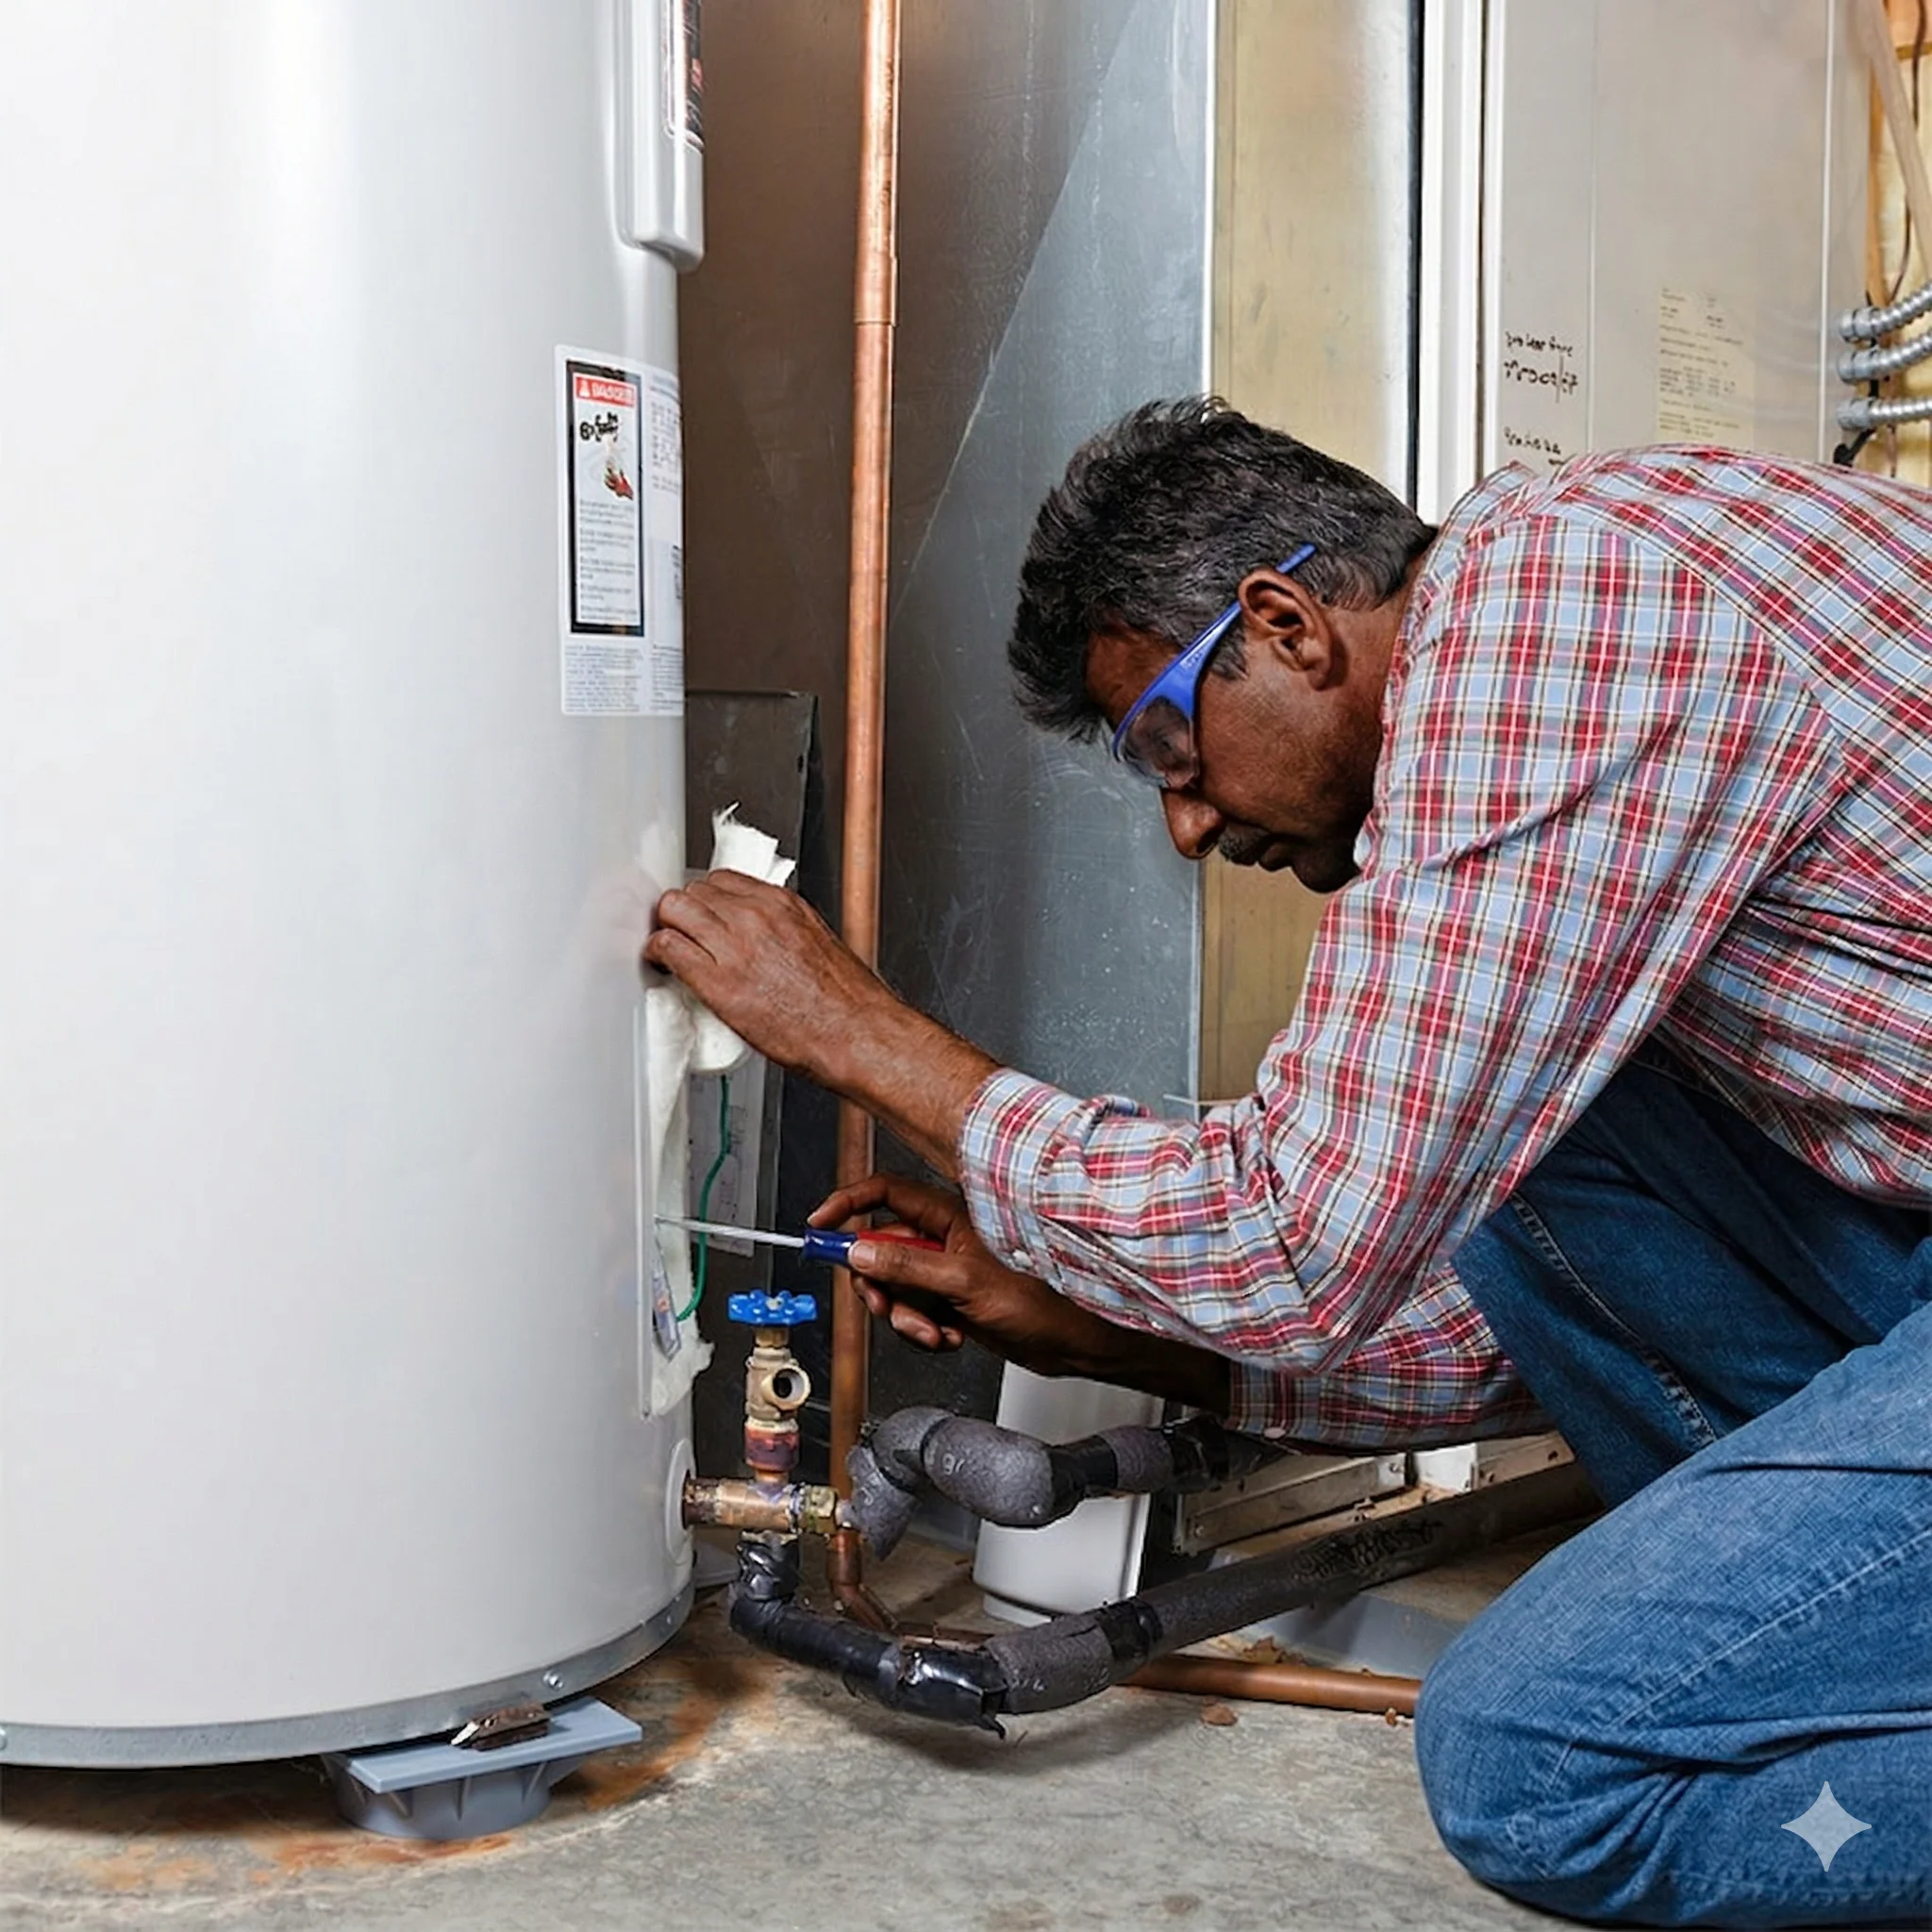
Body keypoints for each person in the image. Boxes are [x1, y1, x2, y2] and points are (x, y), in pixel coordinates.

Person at [645, 399, 1931, 1928]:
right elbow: (1508, 1303)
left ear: (1287, 625)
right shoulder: (1562, 595)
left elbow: (1297, 1241)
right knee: (1516, 1155)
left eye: (1173, 753)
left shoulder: (1564, 632)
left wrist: (866, 1040)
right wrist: (1099, 1328)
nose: (1188, 825)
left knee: (1541, 1766)